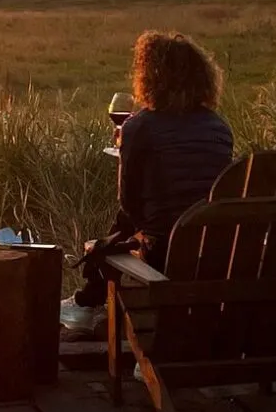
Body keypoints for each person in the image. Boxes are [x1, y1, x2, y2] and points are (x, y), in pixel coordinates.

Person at [67, 30, 234, 338]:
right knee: (127, 229)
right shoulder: (219, 127)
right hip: (218, 251)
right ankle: (86, 301)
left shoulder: (139, 126)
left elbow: (129, 204)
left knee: (124, 230)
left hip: (165, 254)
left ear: (149, 78)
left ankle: (91, 304)